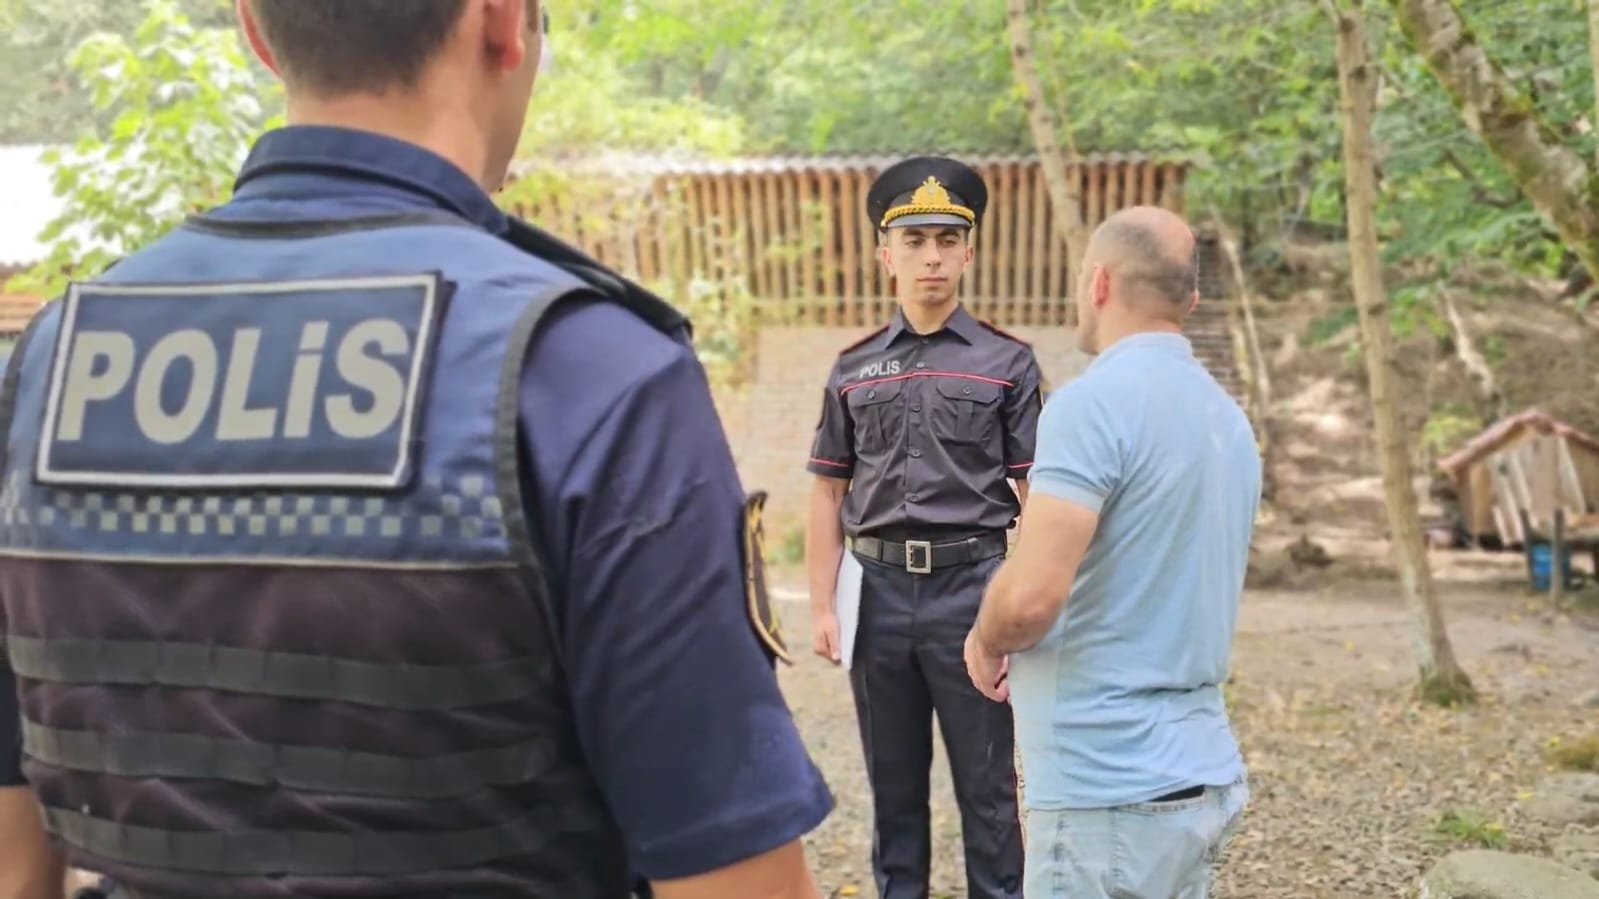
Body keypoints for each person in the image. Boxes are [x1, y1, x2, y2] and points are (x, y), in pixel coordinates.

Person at [0, 2, 834, 897]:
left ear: (254, 29)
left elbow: (15, 854)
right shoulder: (588, 370)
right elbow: (731, 875)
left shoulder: (52, 362)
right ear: (503, 22)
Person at [963, 205, 1259, 899]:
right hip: (1198, 773)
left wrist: (984, 635)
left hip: (1107, 786)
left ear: (1096, 282)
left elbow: (1031, 596)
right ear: (1188, 299)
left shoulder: (1091, 405)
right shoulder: (1227, 419)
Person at [806, 156, 1041, 899]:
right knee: (893, 792)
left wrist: (1021, 607)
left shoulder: (1008, 363)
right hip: (874, 596)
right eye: (913, 241)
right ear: (886, 255)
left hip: (973, 591)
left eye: (946, 239)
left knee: (988, 792)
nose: (931, 256)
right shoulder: (851, 368)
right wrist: (821, 603)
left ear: (969, 251)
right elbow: (826, 491)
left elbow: (1036, 493)